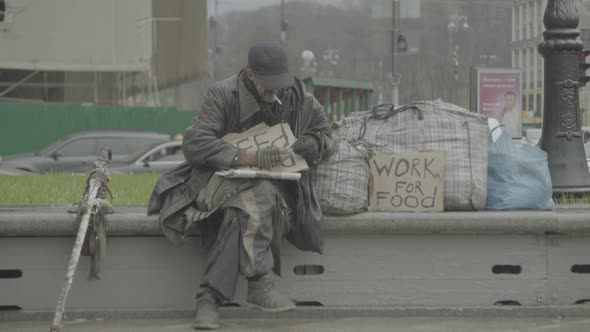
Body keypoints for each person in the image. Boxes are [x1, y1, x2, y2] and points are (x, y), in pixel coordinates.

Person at [147, 41, 334, 330]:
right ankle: (259, 283)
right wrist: (247, 156)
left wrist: (314, 143)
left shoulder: (301, 98)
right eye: (267, 86)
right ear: (250, 75)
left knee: (244, 209)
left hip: (276, 198)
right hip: (218, 187)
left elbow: (327, 134)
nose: (275, 94)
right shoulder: (222, 94)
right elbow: (195, 144)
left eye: (279, 86)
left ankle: (208, 300)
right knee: (254, 197)